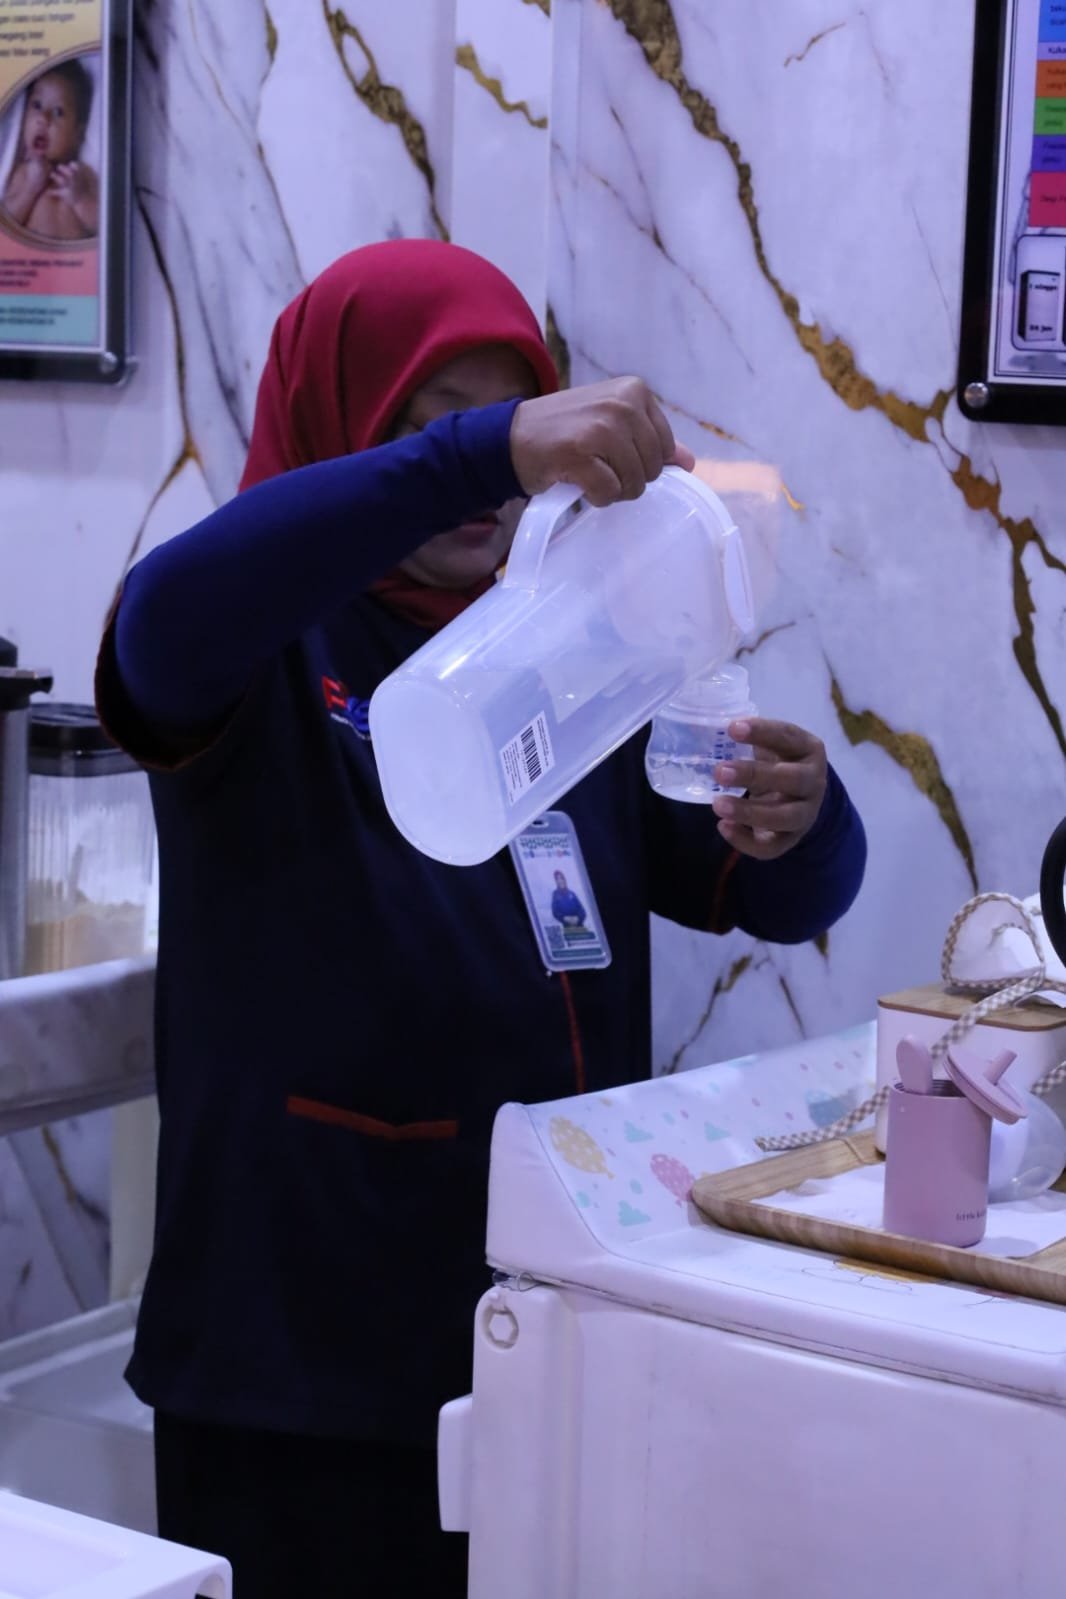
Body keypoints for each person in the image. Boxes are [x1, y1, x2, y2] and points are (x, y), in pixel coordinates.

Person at [95, 239, 866, 1597]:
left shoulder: (557, 649)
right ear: (344, 426)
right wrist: (477, 452)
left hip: (550, 1342)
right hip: (303, 1371)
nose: (492, 479)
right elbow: (156, 617)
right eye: (428, 422)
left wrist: (804, 819)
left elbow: (772, 891)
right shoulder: (262, 647)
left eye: (512, 417)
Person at [2, 57, 99, 241]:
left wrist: (80, 200)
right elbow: (6, 227)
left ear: (77, 135)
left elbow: (103, 224)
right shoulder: (22, 173)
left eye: (58, 112)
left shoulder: (81, 175)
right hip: (32, 259)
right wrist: (30, 189)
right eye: (37, 105)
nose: (43, 118)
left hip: (75, 258)